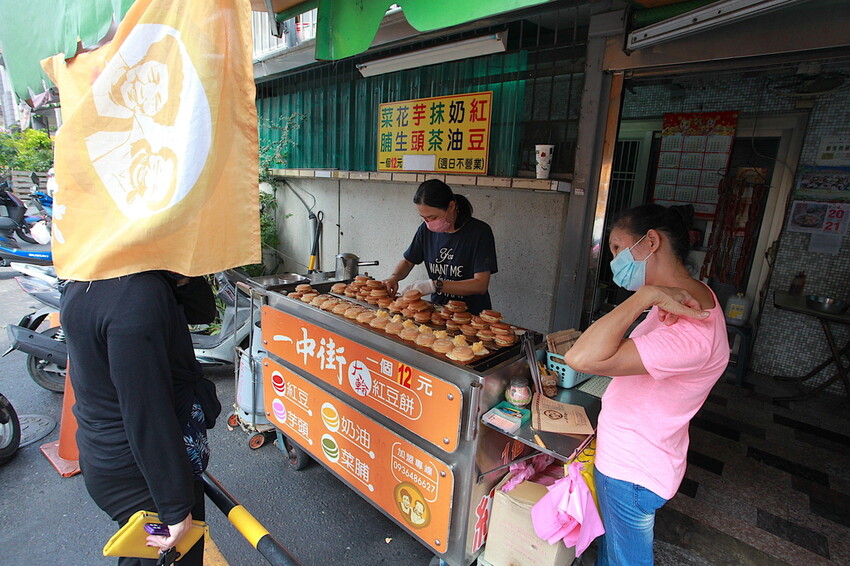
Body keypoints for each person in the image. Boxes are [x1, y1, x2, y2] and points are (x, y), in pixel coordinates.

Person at [564, 204, 729, 566]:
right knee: (613, 552)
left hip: (632, 469)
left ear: (650, 241)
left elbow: (580, 358)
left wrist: (643, 296)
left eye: (617, 248)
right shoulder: (687, 294)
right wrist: (652, 296)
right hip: (637, 458)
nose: (614, 261)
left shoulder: (690, 327)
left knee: (626, 560)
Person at [61, 271, 217, 566]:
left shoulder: (90, 275)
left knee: (141, 557)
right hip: (142, 472)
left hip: (111, 455)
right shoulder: (136, 293)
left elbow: (202, 312)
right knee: (173, 556)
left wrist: (182, 277)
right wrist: (175, 506)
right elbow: (146, 408)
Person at [383, 179, 497, 314]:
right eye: (424, 218)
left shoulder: (479, 233)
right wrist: (394, 276)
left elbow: (480, 284)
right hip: (438, 311)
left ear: (451, 207)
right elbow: (408, 261)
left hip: (472, 314)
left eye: (433, 217)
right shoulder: (425, 231)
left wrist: (434, 285)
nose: (428, 222)